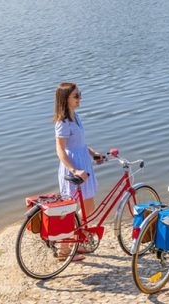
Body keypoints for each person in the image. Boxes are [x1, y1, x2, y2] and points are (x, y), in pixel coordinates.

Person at [54, 82, 104, 258]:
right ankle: (64, 249)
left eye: (80, 94)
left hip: (84, 164)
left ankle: (77, 241)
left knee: (88, 207)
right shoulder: (63, 122)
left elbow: (79, 144)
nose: (79, 98)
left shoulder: (76, 116)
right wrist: (74, 170)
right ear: (65, 99)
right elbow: (60, 149)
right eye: (76, 96)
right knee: (72, 210)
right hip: (74, 168)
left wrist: (93, 153)